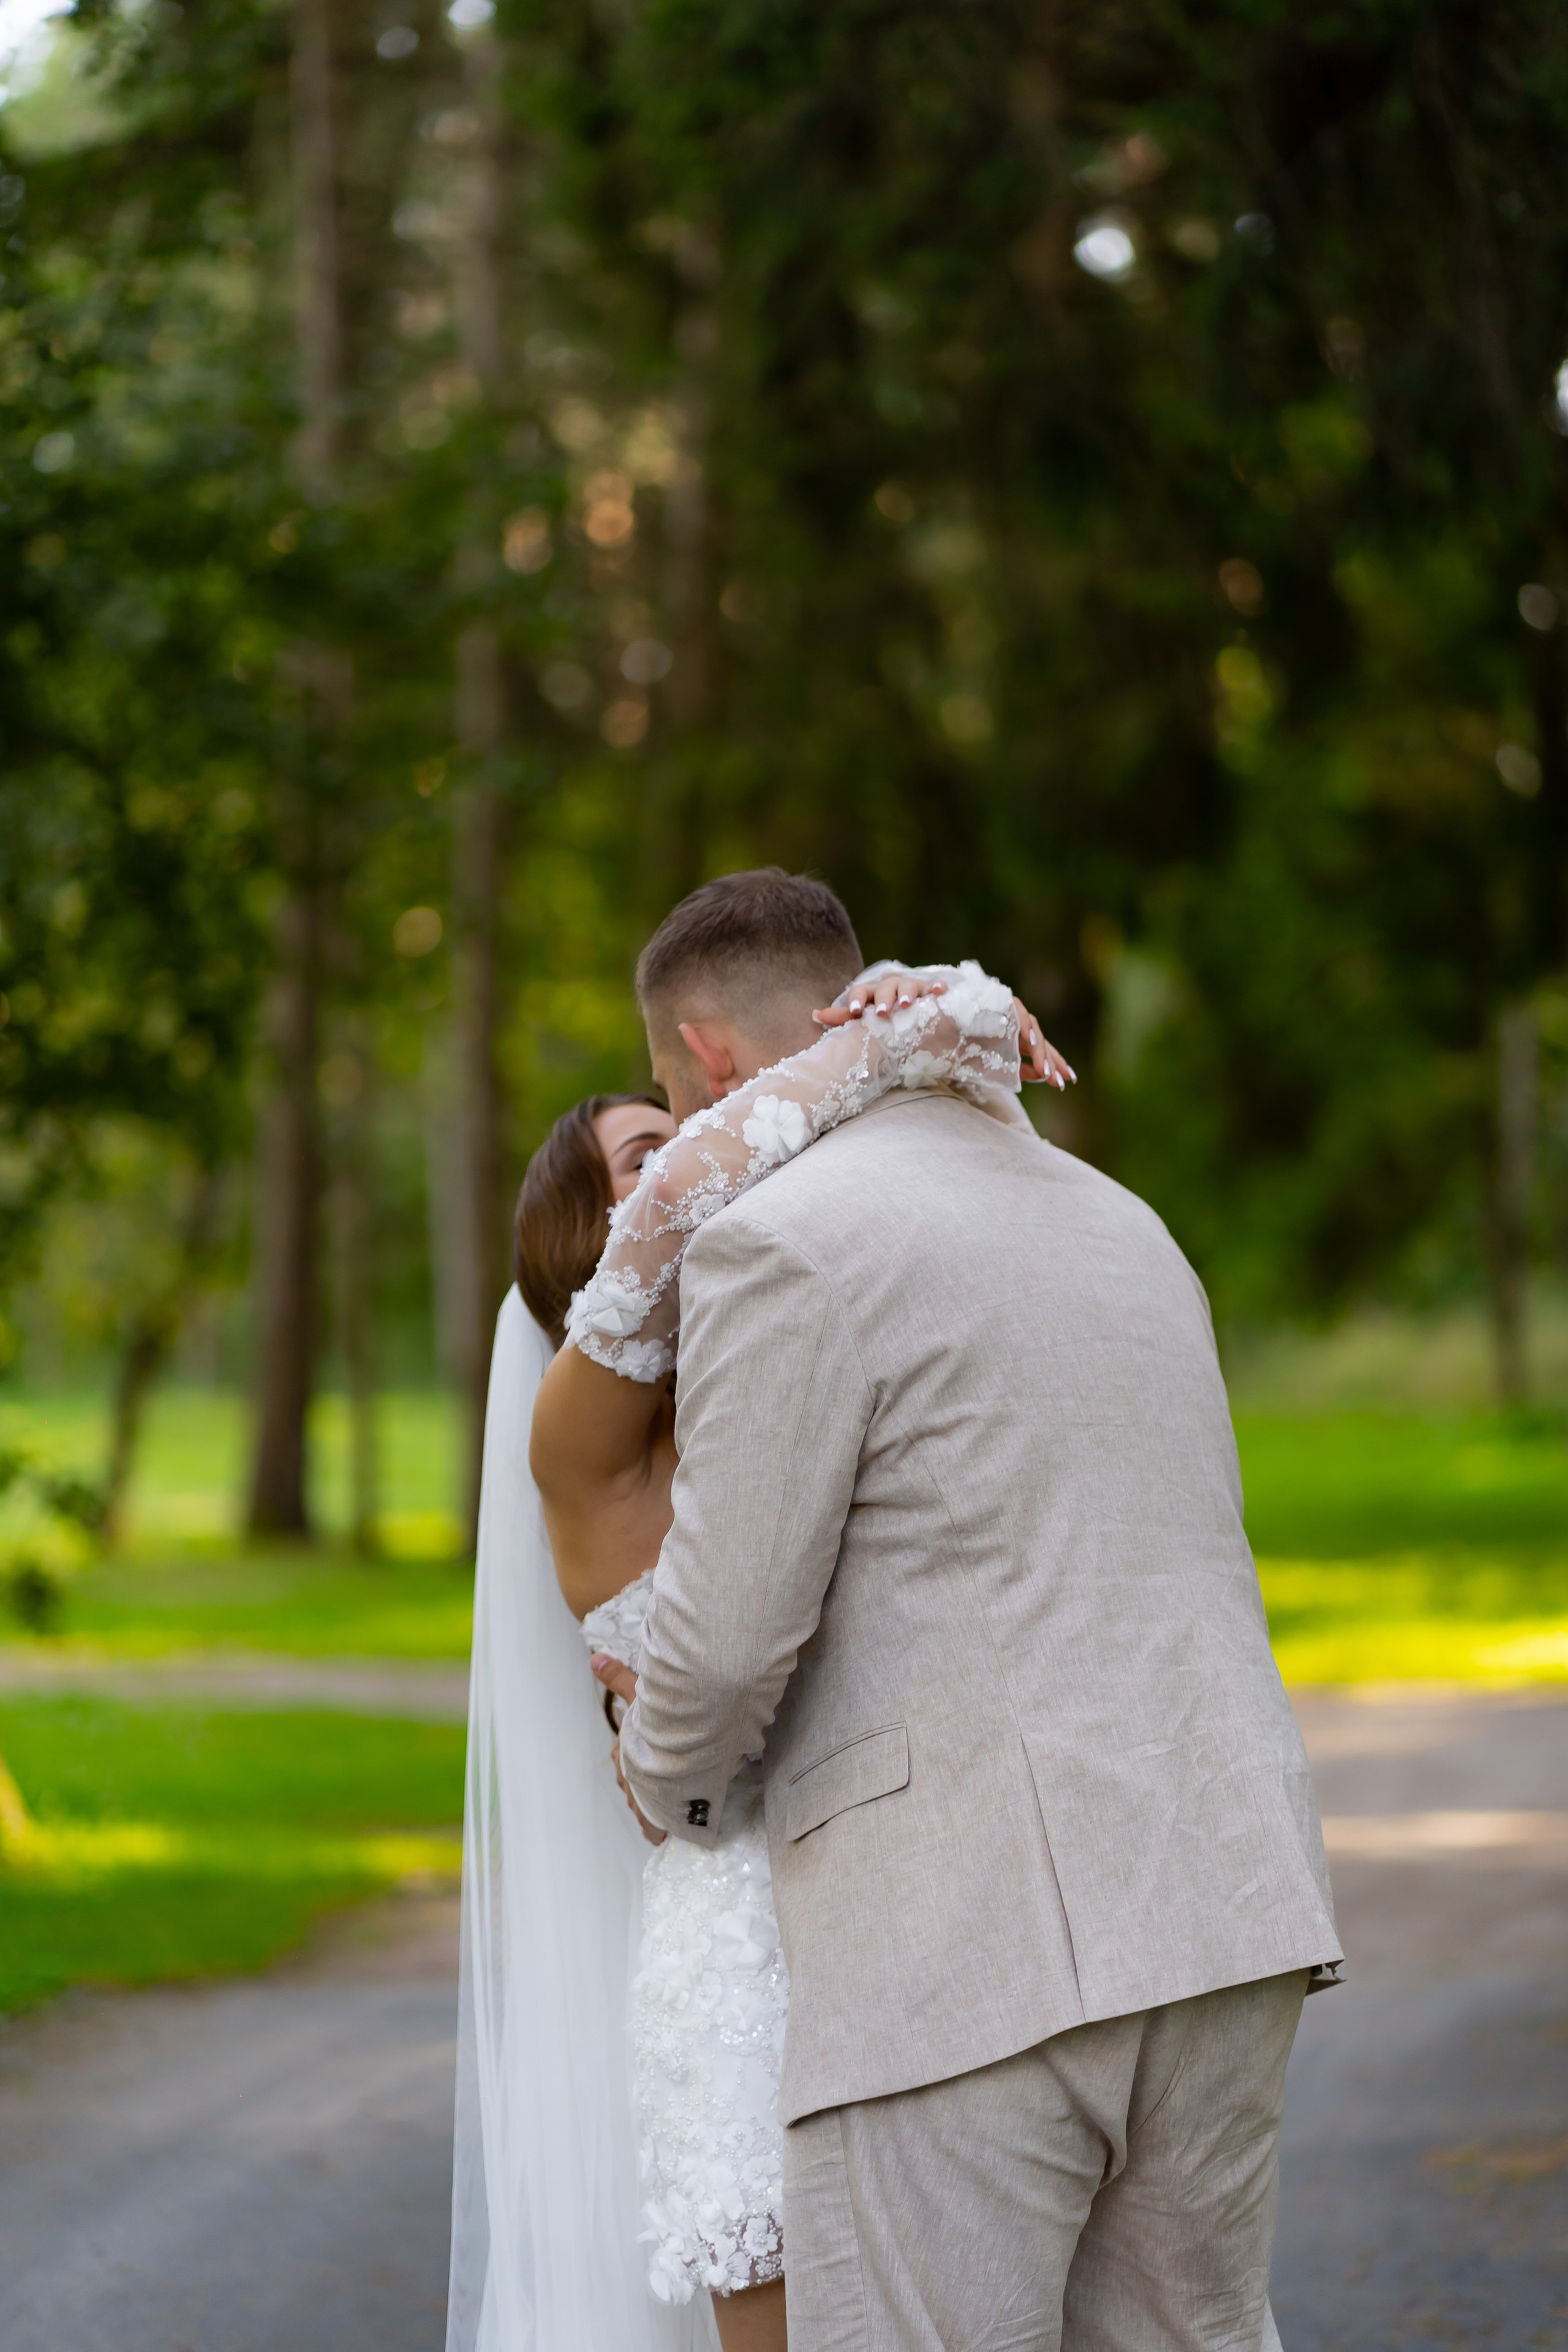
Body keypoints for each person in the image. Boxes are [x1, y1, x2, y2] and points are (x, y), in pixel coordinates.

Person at [550, 869, 1343, 2352]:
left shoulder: (777, 1241)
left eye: (669, 1085)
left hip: (964, 1947)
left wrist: (663, 1781)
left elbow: (723, 1642)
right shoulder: (1126, 1225)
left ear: (711, 1062)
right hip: (1226, 1903)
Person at [448, 903, 1064, 2352]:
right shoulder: (577, 1428)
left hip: (898, 1901)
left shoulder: (783, 1348)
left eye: (682, 1120)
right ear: (586, 1237)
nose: (698, 1156)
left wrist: (905, 1030)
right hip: (737, 1934)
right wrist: (918, 1021)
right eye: (648, 1155)